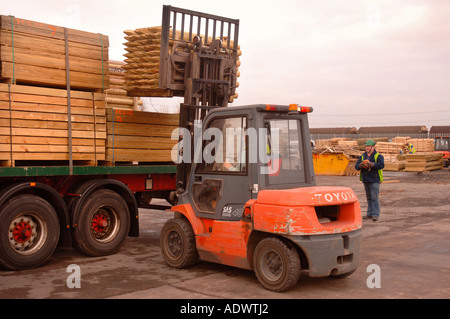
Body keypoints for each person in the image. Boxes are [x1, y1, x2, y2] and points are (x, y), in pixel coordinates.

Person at [355, 139, 385, 221]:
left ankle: (375, 214)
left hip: (374, 179)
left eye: (368, 146)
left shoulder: (378, 156)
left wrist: (372, 164)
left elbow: (381, 165)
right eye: (366, 146)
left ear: (373, 147)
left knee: (374, 197)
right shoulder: (362, 156)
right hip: (366, 179)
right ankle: (369, 214)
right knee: (368, 197)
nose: (367, 148)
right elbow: (356, 166)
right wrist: (361, 165)